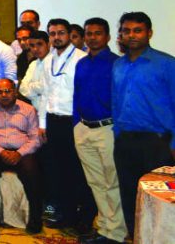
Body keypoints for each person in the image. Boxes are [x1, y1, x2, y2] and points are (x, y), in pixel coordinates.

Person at [112, 12, 175, 238]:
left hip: (156, 143)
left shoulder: (166, 64)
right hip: (125, 140)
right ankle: (135, 237)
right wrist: (117, 132)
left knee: (157, 200)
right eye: (126, 31)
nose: (132, 35)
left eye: (137, 30)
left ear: (149, 33)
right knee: (129, 195)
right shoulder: (118, 65)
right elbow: (116, 100)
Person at [38, 19, 95, 233]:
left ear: (70, 35)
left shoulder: (81, 58)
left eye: (61, 33)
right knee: (58, 171)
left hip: (75, 121)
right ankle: (66, 215)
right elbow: (45, 94)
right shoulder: (47, 60)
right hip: (53, 121)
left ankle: (84, 217)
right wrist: (42, 124)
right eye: (52, 33)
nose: (56, 37)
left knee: (78, 171)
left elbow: (84, 95)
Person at [73, 18, 126, 244]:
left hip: (107, 129)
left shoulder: (117, 64)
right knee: (95, 182)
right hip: (83, 129)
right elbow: (76, 95)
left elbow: (122, 100)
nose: (92, 37)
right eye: (88, 33)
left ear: (107, 37)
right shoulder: (81, 64)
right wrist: (76, 124)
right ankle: (105, 227)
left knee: (111, 182)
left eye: (97, 33)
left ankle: (117, 232)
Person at [0, 79, 43, 234]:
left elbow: (35, 138)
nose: (4, 95)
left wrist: (19, 153)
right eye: (0, 92)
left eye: (7, 91)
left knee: (32, 171)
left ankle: (35, 216)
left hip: (23, 151)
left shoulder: (28, 110)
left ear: (15, 91)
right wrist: (1, 152)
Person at [19, 31, 51, 128]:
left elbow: (48, 87)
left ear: (48, 44)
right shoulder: (33, 64)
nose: (35, 49)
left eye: (40, 44)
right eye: (32, 46)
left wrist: (32, 87)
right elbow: (22, 88)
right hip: (36, 113)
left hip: (52, 114)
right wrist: (38, 93)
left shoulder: (55, 63)